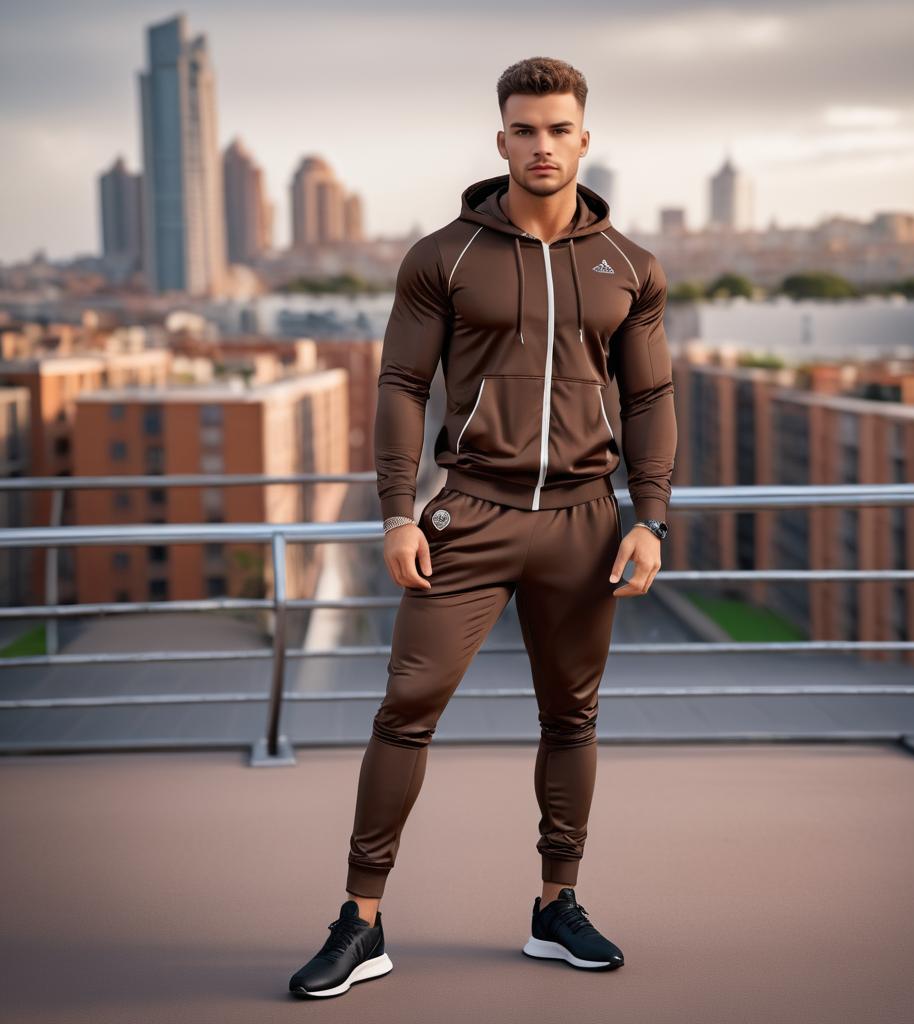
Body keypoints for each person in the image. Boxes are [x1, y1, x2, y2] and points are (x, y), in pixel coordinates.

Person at [289, 55, 676, 998]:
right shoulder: (444, 255)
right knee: (405, 712)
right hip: (471, 517)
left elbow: (651, 397)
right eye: (523, 130)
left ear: (585, 138)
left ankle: (557, 907)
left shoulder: (631, 267)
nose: (541, 146)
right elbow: (400, 388)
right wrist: (394, 511)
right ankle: (360, 922)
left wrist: (651, 518)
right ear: (500, 139)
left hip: (586, 523)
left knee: (571, 718)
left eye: (558, 129)